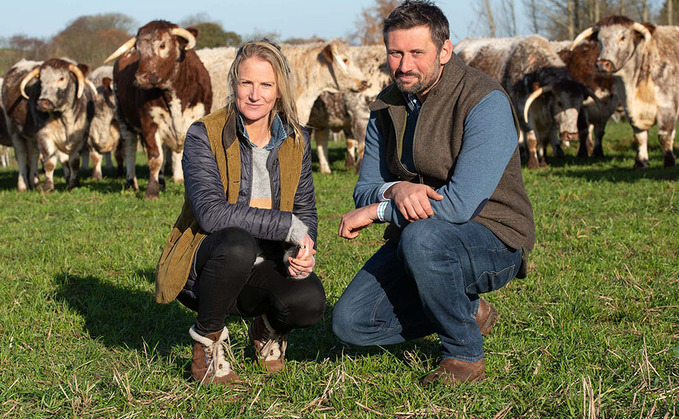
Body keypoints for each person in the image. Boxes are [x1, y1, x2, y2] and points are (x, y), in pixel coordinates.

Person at [333, 0, 535, 386]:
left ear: (444, 51)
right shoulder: (387, 105)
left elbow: (458, 206)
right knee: (351, 323)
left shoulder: (484, 100)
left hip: (492, 235)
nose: (404, 65)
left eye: (416, 53)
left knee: (423, 237)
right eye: (395, 53)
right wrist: (398, 188)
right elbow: (364, 190)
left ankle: (463, 353)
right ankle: (465, 307)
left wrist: (379, 212)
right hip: (419, 239)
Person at [155, 40, 325, 386]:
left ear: (280, 90)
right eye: (246, 83)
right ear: (233, 83)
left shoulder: (297, 139)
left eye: (266, 85)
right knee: (237, 243)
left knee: (309, 300)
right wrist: (287, 225)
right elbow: (211, 215)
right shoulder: (204, 134)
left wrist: (302, 250)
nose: (254, 94)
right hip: (208, 266)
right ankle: (208, 341)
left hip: (264, 263)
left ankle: (266, 329)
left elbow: (304, 207)